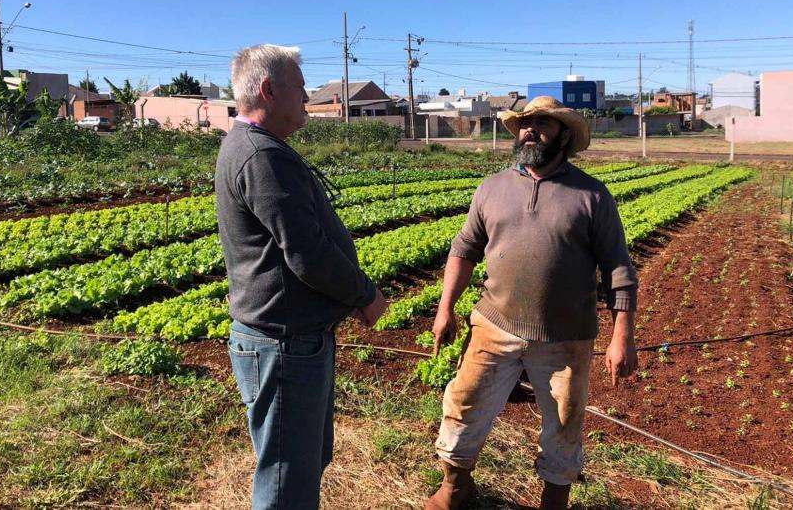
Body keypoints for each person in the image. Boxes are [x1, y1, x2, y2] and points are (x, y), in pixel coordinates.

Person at [423, 96, 639, 510]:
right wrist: (444, 308)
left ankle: (554, 500)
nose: (530, 130)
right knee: (464, 402)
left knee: (564, 421)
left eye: (542, 123)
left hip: (565, 336)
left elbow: (618, 268)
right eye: (525, 123)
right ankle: (455, 486)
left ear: (563, 135)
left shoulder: (591, 196)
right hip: (493, 322)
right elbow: (464, 249)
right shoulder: (493, 188)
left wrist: (621, 338)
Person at [215, 44, 388, 510]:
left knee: (299, 463)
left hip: (288, 340)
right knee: (285, 481)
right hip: (283, 343)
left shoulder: (257, 148)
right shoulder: (261, 156)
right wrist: (365, 295)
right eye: (300, 87)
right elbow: (307, 255)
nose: (309, 96)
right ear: (269, 91)